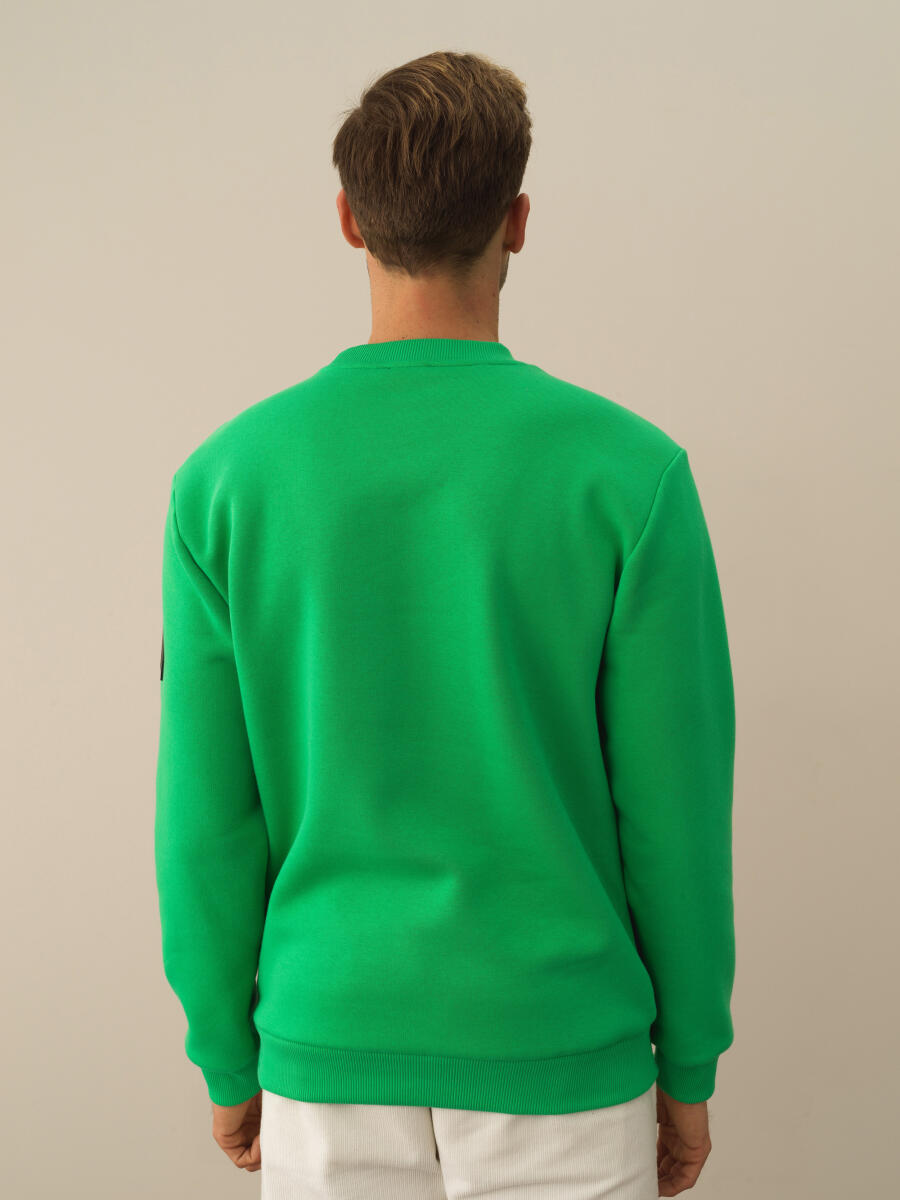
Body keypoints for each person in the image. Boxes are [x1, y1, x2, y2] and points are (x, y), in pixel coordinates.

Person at [154, 49, 736, 1199]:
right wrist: (690, 1062)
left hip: (327, 1051)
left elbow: (207, 820)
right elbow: (675, 812)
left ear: (348, 219)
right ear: (516, 220)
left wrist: (225, 1054)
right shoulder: (630, 475)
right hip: (563, 1060)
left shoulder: (226, 482)